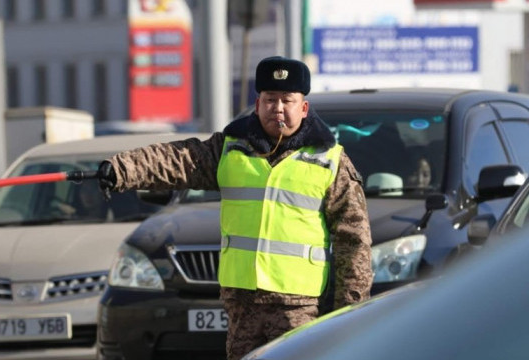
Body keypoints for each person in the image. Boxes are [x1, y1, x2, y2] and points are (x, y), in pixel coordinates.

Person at [97, 56, 373, 360]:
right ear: (258, 104)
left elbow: (354, 240)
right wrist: (121, 169)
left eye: (287, 100)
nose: (277, 108)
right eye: (270, 99)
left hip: (298, 307)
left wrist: (348, 313)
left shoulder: (329, 160)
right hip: (243, 304)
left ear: (303, 108)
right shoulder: (230, 148)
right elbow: (175, 160)